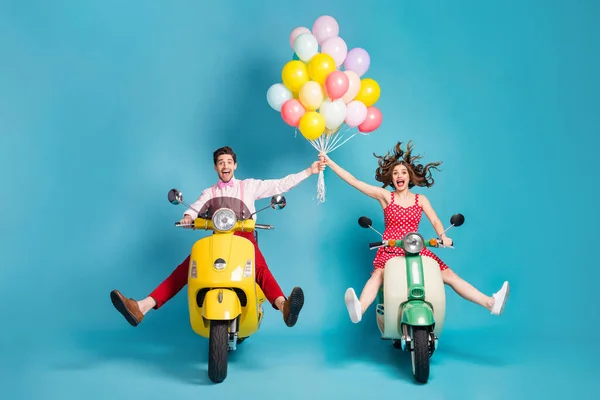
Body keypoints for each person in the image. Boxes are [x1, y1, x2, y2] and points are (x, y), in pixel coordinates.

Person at [111, 145, 326, 328]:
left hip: (244, 239)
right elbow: (194, 208)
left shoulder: (248, 186)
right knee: (186, 268)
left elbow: (279, 184)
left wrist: (309, 171)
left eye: (229, 162)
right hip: (218, 240)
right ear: (215, 167)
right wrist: (188, 216)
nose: (225, 166)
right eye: (221, 162)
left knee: (259, 269)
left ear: (235, 166)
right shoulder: (209, 193)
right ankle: (141, 307)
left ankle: (283, 306)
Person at [319, 141, 509, 323]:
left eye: (403, 172)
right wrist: (330, 162)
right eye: (395, 173)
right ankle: (359, 309)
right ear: (392, 179)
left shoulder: (421, 199)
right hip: (391, 248)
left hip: (416, 249)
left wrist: (444, 237)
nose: (399, 175)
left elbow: (434, 219)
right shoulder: (386, 197)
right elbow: (354, 181)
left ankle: (490, 303)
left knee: (450, 275)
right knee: (378, 275)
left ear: (409, 177)